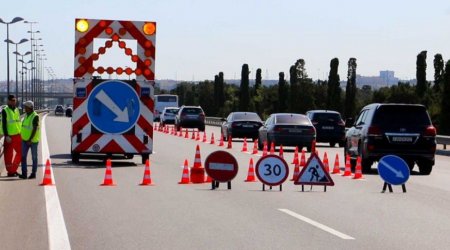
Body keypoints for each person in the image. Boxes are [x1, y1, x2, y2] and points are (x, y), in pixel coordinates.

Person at [2, 95, 22, 177]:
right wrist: (6, 135)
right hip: (9, 136)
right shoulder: (5, 110)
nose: (14, 102)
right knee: (8, 155)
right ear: (8, 101)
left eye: (15, 100)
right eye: (12, 100)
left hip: (18, 135)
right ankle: (10, 172)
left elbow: (18, 122)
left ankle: (13, 170)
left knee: (21, 152)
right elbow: (4, 124)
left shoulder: (17, 109)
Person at [20, 101, 40, 179]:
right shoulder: (26, 115)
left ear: (30, 107)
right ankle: (24, 173)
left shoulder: (35, 116)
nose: (24, 108)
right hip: (24, 140)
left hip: (32, 141)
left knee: (34, 157)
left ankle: (33, 173)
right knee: (23, 157)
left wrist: (30, 139)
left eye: (26, 107)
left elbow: (34, 129)